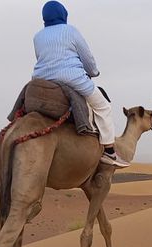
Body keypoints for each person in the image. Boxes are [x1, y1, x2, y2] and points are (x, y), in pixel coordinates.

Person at [32, 1, 129, 168]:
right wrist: (93, 72)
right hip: (72, 79)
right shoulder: (71, 31)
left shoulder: (38, 36)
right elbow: (87, 59)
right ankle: (109, 151)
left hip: (41, 80)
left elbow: (41, 58)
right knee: (103, 107)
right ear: (63, 14)